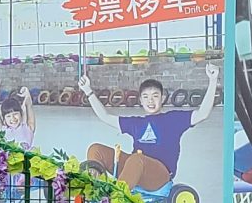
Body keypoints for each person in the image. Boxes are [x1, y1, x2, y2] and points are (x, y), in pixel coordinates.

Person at [83, 65, 219, 178]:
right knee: (96, 149)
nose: (150, 101)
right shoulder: (136, 123)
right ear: (141, 101)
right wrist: (88, 91)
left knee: (137, 159)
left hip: (160, 174)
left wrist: (213, 81)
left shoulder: (173, 119)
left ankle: (117, 195)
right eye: (146, 97)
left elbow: (202, 114)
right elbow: (105, 116)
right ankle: (94, 187)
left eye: (155, 96)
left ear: (162, 98)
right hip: (134, 170)